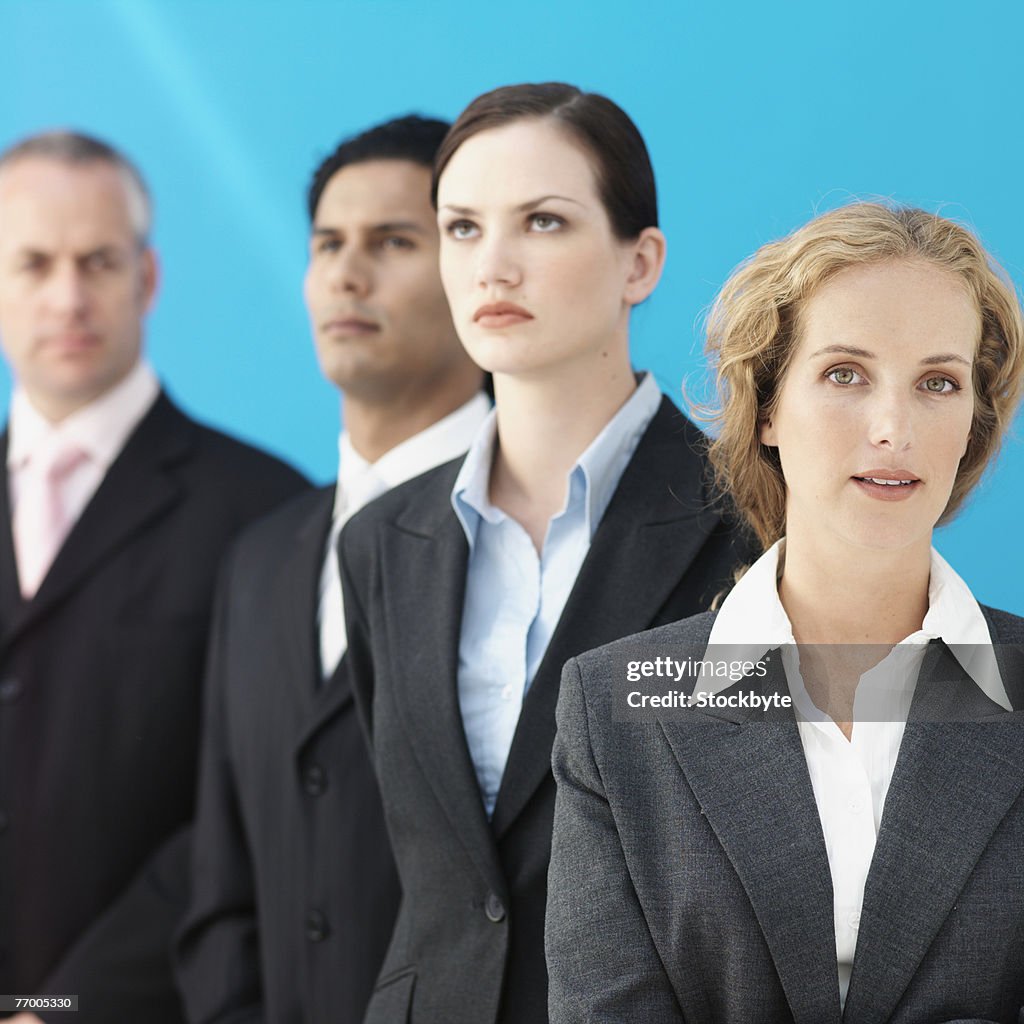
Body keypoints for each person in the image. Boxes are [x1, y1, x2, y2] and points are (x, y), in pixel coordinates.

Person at [545, 202, 1024, 1023]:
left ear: (973, 422)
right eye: (845, 373)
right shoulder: (617, 707)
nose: (892, 427)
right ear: (766, 408)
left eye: (937, 383)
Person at [338, 82, 753, 1024]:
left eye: (544, 222)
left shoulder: (750, 527)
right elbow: (423, 873)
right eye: (462, 228)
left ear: (638, 262)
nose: (495, 266)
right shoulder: (380, 543)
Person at [174, 115, 490, 1024]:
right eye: (328, 244)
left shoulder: (544, 532)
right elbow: (224, 883)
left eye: (394, 242)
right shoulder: (261, 559)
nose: (347, 275)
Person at [0, 131, 307, 1023]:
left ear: (148, 278)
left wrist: (62, 1008)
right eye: (34, 263)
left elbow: (248, 806)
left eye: (99, 261)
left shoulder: (264, 512)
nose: (68, 297)